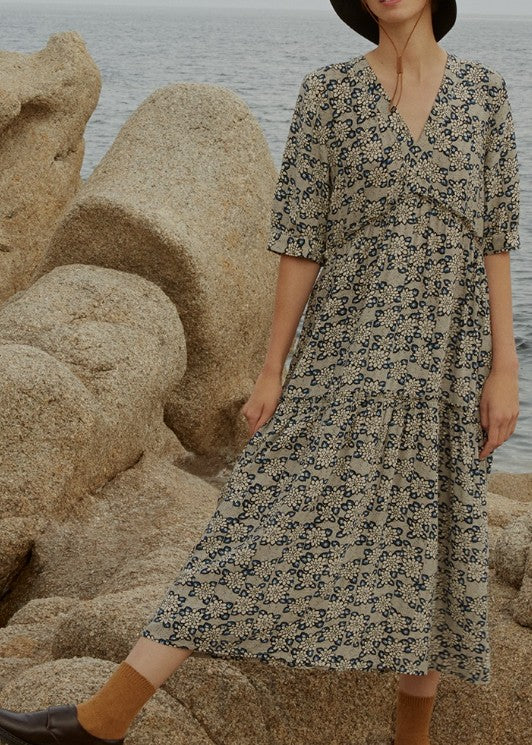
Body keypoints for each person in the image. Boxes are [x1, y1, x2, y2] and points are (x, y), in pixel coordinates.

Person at [0, 1, 521, 744]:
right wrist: (272, 368)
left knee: (433, 543)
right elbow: (301, 241)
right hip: (343, 352)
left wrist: (505, 367)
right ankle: (105, 716)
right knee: (253, 522)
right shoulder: (328, 94)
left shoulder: (484, 94)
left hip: (449, 359)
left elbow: (496, 239)